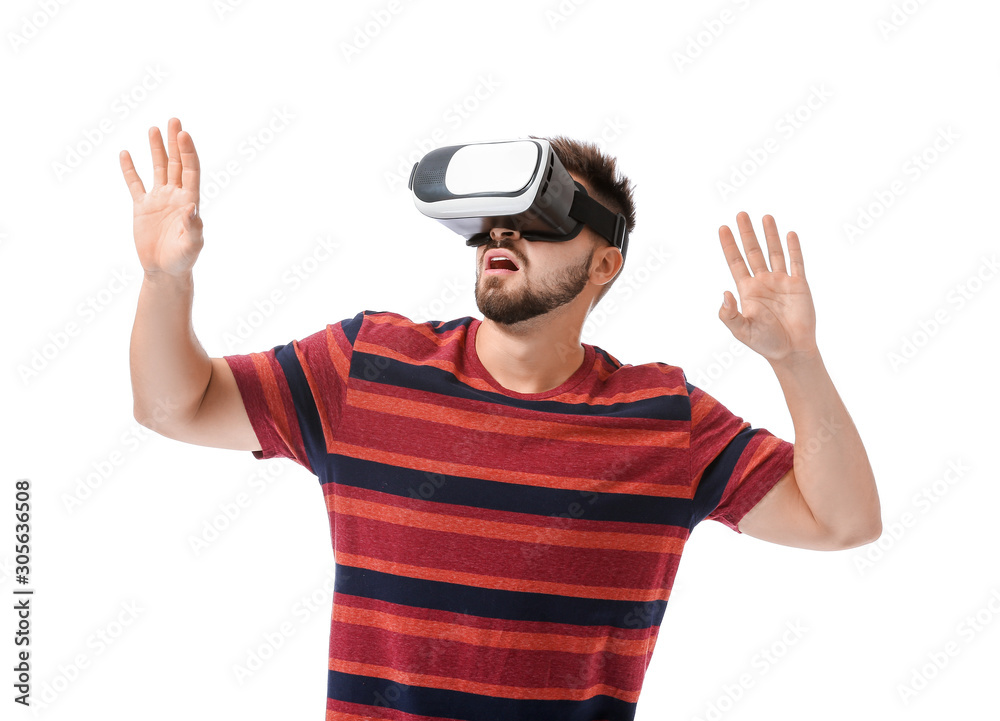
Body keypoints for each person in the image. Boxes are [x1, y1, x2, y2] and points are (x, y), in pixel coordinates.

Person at [122, 118, 882, 721]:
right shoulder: (368, 364)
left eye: (539, 216)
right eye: (490, 219)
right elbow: (171, 405)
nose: (500, 233)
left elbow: (842, 519)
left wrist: (798, 362)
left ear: (604, 264)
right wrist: (164, 279)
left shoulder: (664, 419)